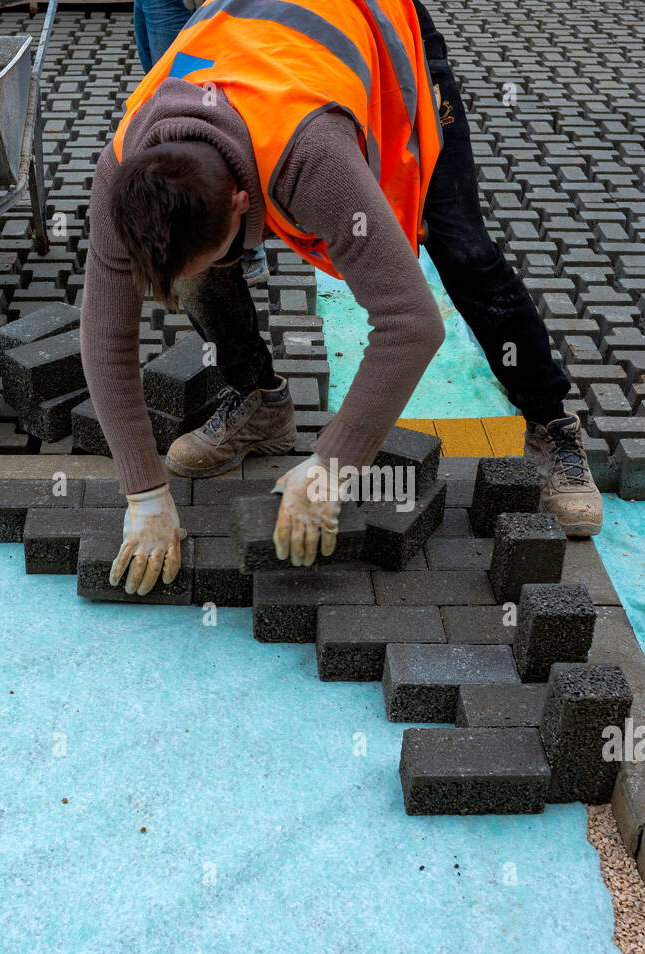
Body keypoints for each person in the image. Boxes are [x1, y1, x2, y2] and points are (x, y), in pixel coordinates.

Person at [83, 0, 601, 597]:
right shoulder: (121, 173)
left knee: (461, 248)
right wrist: (143, 494)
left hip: (384, 50)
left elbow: (411, 324)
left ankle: (553, 423)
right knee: (197, 271)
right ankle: (261, 404)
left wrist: (331, 466)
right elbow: (105, 339)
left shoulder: (312, 160)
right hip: (259, 58)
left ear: (240, 202)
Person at [133, 0, 269, 284]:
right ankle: (201, 248)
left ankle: (244, 247)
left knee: (205, 98)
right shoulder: (127, 151)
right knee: (165, 90)